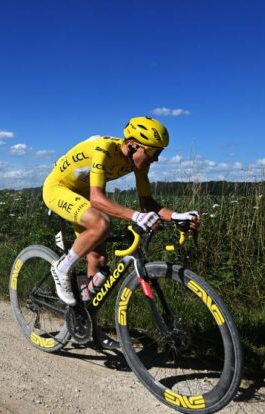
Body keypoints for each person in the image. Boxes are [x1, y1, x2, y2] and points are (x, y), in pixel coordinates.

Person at [43, 116, 200, 313]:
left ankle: (84, 319)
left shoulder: (139, 163)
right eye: (153, 152)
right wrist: (136, 217)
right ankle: (62, 269)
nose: (156, 158)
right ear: (133, 145)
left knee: (98, 260)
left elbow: (147, 204)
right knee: (101, 223)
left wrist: (176, 216)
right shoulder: (104, 149)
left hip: (83, 194)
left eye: (159, 153)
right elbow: (96, 199)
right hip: (59, 188)